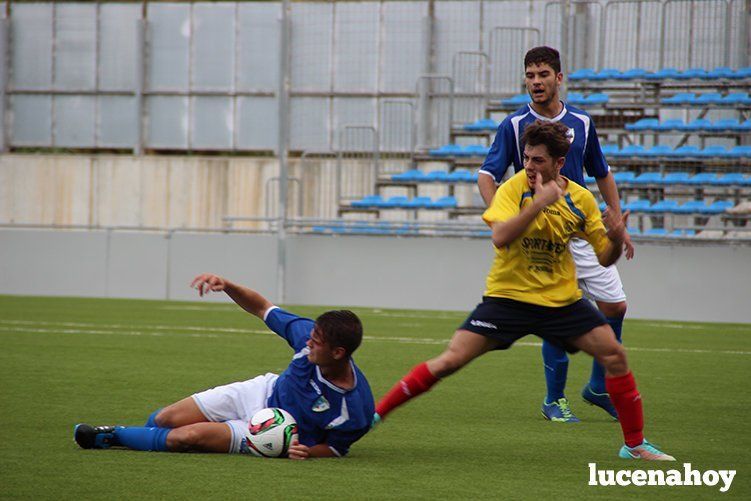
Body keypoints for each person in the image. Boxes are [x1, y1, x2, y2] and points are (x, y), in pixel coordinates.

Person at [374, 121, 674, 461]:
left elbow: (605, 259)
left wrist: (617, 236)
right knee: (449, 361)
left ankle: (634, 445)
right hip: (508, 298)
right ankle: (374, 416)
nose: (530, 167)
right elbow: (500, 237)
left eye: (539, 161)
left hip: (560, 302)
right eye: (527, 159)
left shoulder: (580, 199)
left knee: (615, 356)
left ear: (560, 163)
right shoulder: (513, 189)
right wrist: (538, 203)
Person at [477, 46, 634, 423]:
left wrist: (616, 221)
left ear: (559, 78)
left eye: (543, 74)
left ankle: (597, 388)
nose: (535, 82)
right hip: (542, 234)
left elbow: (602, 171)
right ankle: (554, 400)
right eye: (530, 75)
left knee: (615, 305)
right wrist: (506, 217)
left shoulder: (581, 122)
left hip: (580, 227)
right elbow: (487, 176)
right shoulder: (515, 125)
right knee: (554, 308)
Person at [74, 273, 375, 460]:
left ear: (338, 352)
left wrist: (307, 451)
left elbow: (336, 449)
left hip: (272, 432)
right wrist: (227, 285)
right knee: (165, 418)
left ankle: (109, 435)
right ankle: (143, 434)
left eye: (317, 342)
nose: (308, 343)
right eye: (310, 337)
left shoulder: (355, 409)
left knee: (187, 437)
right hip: (260, 392)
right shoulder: (307, 336)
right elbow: (262, 307)